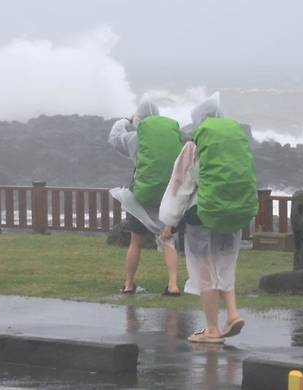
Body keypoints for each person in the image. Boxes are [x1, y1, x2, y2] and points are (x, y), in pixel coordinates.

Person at [159, 92, 258, 343]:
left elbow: (180, 186)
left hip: (201, 216)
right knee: (225, 266)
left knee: (205, 273)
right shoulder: (231, 145)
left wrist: (169, 221)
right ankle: (233, 314)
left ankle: (212, 329)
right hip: (230, 215)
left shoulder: (194, 146)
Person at [108, 101, 183, 296]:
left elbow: (114, 138)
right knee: (168, 240)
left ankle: (129, 284)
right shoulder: (172, 138)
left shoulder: (135, 138)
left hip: (140, 194)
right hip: (168, 194)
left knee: (135, 240)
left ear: (139, 119)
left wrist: (126, 120)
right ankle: (173, 285)